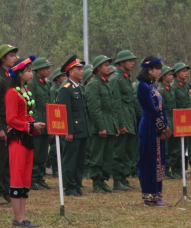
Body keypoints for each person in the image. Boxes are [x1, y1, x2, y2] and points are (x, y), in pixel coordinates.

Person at [5, 55, 45, 227]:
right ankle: (17, 217)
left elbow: (27, 114)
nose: (30, 73)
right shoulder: (12, 93)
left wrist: (35, 125)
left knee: (26, 176)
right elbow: (11, 119)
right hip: (17, 138)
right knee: (17, 175)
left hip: (28, 138)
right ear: (19, 74)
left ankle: (23, 215)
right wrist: (31, 126)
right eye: (27, 71)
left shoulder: (27, 92)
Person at [136, 56, 171, 206]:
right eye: (157, 68)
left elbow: (162, 108)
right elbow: (150, 109)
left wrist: (166, 126)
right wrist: (162, 126)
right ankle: (149, 197)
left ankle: (157, 195)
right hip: (149, 127)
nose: (159, 71)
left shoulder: (153, 86)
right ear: (149, 70)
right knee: (149, 161)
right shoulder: (143, 86)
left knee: (159, 161)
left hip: (157, 126)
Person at [0, 44, 19, 206]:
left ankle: (7, 190)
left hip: (10, 124)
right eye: (11, 55)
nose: (14, 58)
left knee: (8, 160)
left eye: (14, 55)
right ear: (3, 59)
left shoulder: (11, 76)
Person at [85, 55, 119, 193]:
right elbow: (94, 108)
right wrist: (101, 127)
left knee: (107, 156)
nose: (108, 67)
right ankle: (96, 182)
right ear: (98, 68)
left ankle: (103, 181)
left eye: (108, 65)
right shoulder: (93, 84)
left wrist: (114, 126)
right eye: (105, 65)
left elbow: (112, 107)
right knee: (97, 156)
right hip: (99, 127)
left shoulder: (106, 83)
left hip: (109, 125)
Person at [58, 55, 90, 197]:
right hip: (73, 131)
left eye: (82, 68)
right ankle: (69, 187)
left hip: (82, 130)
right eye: (78, 69)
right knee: (70, 160)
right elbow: (65, 112)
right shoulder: (66, 88)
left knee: (79, 160)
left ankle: (77, 185)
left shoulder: (80, 87)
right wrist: (68, 131)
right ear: (71, 72)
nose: (82, 71)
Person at [109, 50, 138, 191]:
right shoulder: (115, 79)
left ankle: (124, 178)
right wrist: (120, 124)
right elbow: (116, 104)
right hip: (122, 121)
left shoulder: (126, 78)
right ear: (121, 62)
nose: (132, 63)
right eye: (129, 60)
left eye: (133, 60)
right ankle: (117, 180)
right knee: (119, 152)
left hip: (130, 119)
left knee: (128, 152)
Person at [28, 57, 52, 190]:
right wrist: (36, 124)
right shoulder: (32, 84)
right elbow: (33, 107)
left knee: (43, 153)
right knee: (36, 153)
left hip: (47, 123)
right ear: (38, 70)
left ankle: (40, 178)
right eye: (46, 68)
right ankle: (33, 179)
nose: (49, 70)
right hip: (37, 124)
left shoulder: (46, 84)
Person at [170, 62, 191, 178]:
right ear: (177, 73)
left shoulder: (186, 86)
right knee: (176, 147)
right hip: (177, 118)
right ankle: (175, 169)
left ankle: (181, 169)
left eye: (186, 71)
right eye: (183, 71)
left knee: (184, 146)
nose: (186, 73)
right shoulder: (174, 86)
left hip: (186, 117)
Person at [48, 68, 67, 177]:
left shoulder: (64, 88)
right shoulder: (53, 90)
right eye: (63, 76)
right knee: (55, 147)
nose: (65, 78)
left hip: (63, 119)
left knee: (62, 146)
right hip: (56, 119)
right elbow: (52, 105)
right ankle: (55, 168)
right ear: (57, 78)